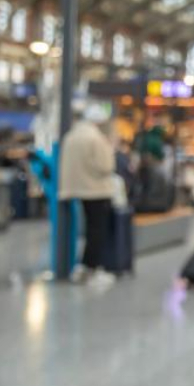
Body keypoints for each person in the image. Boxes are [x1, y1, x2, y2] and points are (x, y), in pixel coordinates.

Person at [59, 104, 117, 287]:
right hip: (95, 190)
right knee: (97, 231)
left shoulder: (71, 136)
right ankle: (92, 267)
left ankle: (82, 267)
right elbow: (106, 166)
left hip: (75, 188)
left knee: (87, 230)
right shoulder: (96, 138)